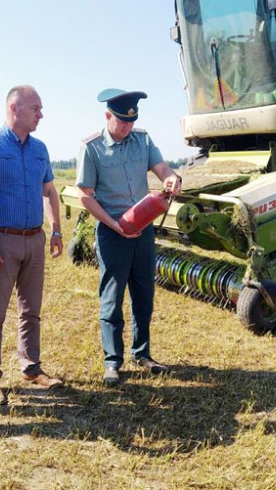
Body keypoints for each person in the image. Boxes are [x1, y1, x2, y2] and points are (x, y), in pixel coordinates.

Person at [75, 88, 182, 386]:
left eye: (131, 122)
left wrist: (171, 179)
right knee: (111, 298)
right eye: (122, 121)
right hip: (113, 233)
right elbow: (85, 196)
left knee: (144, 294)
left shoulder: (143, 140)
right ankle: (113, 361)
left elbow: (163, 169)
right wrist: (113, 225)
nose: (127, 127)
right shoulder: (92, 148)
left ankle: (142, 353)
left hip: (143, 230)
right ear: (108, 116)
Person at [0, 85, 64, 405]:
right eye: (35, 108)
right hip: (3, 241)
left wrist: (56, 231)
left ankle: (31, 366)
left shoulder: (40, 149)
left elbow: (49, 191)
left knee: (31, 310)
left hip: (34, 240)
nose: (41, 114)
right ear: (14, 109)